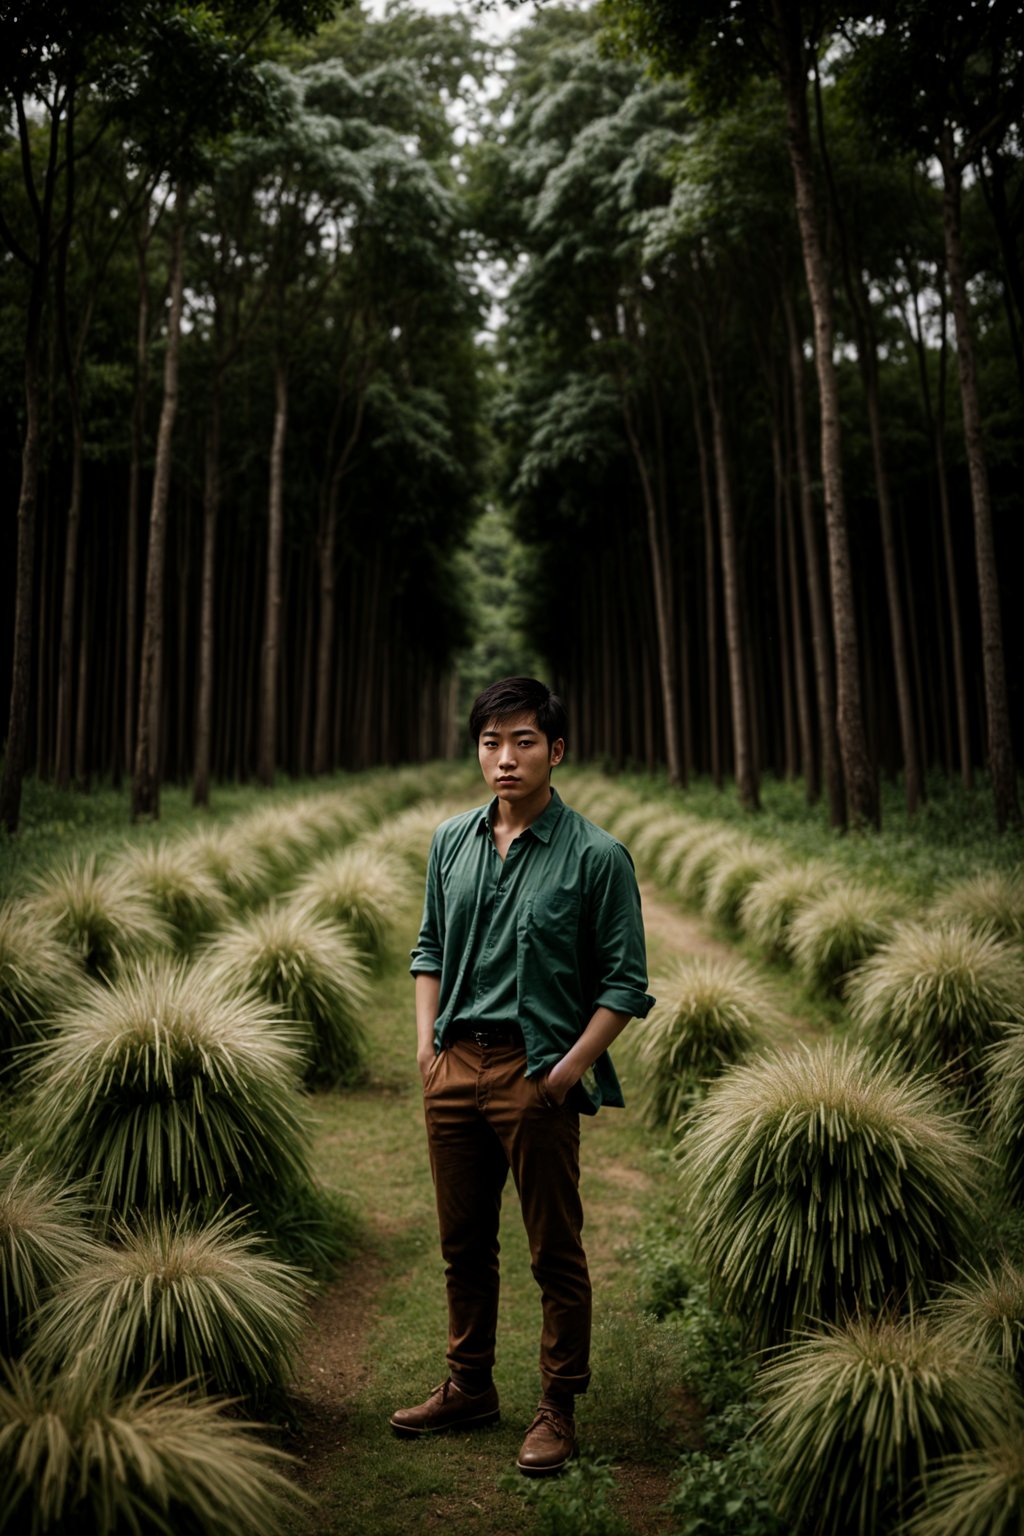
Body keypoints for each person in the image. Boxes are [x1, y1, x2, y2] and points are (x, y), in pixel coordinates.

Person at [390, 676, 654, 1476]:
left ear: (556, 751)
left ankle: (557, 1407)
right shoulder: (451, 841)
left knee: (554, 1252)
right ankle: (469, 1386)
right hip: (454, 1066)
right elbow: (430, 946)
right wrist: (426, 1049)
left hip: (535, 1071)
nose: (504, 758)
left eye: (523, 741)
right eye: (490, 741)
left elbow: (623, 984)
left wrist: (567, 1072)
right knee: (462, 1243)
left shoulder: (598, 857)